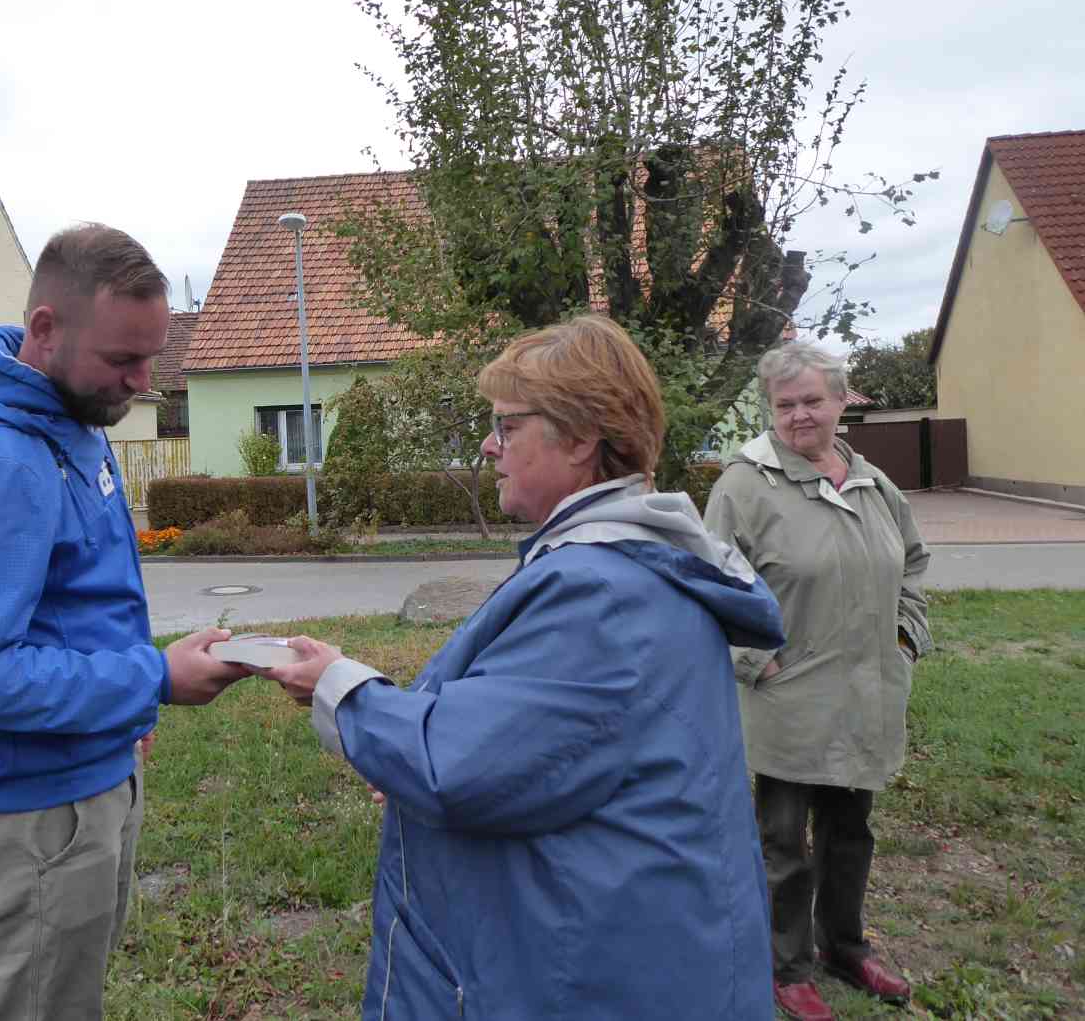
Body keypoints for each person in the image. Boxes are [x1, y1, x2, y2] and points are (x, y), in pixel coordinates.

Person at [265, 314, 785, 1020]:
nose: (490, 445)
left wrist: (337, 685)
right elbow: (528, 742)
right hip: (630, 941)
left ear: (581, 437)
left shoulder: (600, 594)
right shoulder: (623, 569)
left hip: (594, 971)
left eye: (507, 426)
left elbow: (456, 767)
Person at [0, 223, 248, 1020]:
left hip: (87, 780)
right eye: (124, 358)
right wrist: (152, 677)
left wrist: (127, 708)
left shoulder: (69, 416)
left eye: (150, 356)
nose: (143, 381)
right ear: (46, 329)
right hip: (36, 816)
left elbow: (76, 604)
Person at [704, 340, 933, 1021]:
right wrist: (756, 660)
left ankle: (845, 946)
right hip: (787, 696)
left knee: (850, 830)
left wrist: (905, 637)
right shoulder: (744, 485)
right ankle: (788, 965)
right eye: (785, 404)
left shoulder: (873, 482)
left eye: (811, 400)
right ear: (770, 410)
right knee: (784, 841)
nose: (799, 415)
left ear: (840, 401)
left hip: (866, 691)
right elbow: (710, 582)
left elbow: (913, 564)